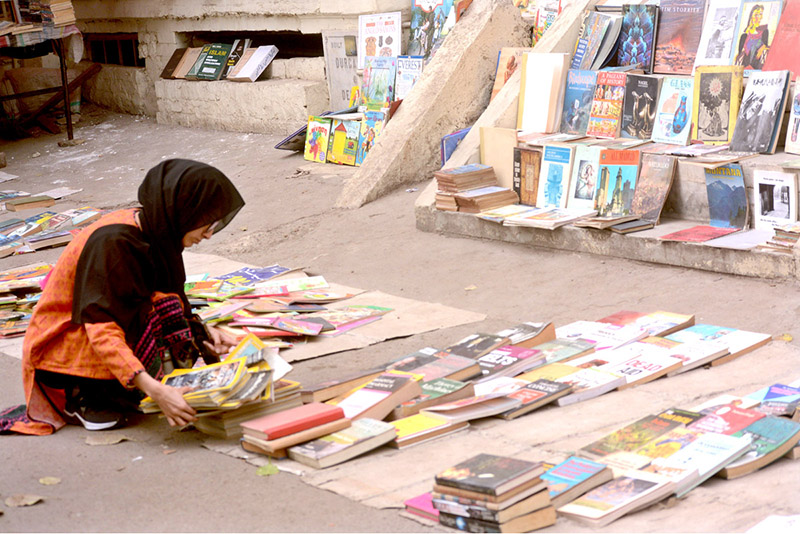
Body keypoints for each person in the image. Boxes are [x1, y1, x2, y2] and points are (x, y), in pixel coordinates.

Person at [2, 159, 245, 435]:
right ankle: (80, 393)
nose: (209, 234)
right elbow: (101, 327)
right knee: (110, 413)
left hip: (105, 327)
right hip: (67, 343)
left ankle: (121, 384)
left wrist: (204, 332)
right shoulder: (114, 243)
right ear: (183, 213)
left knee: (164, 307)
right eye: (205, 223)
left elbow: (171, 298)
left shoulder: (159, 232)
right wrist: (156, 391)